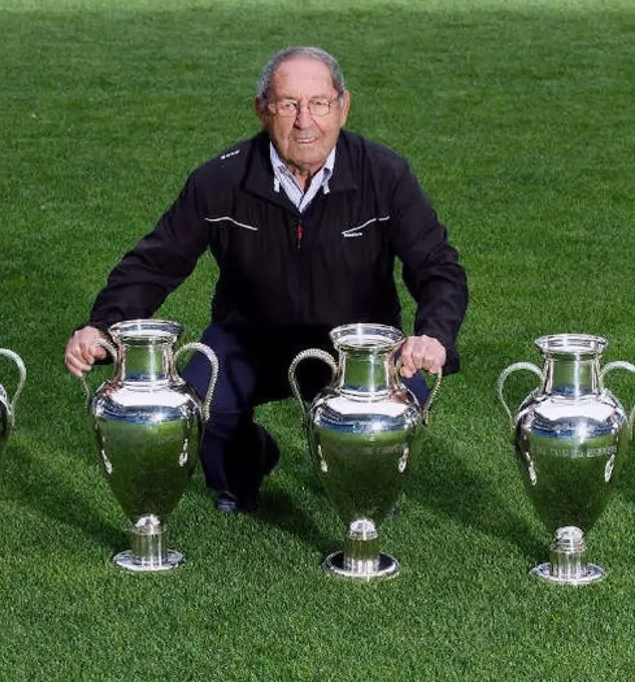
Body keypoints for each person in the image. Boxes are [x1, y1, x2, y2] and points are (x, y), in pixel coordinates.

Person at [64, 46, 468, 513]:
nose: (305, 120)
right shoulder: (219, 179)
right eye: (288, 104)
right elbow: (155, 263)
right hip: (247, 339)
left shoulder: (386, 175)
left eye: (318, 103)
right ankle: (247, 466)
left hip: (356, 348)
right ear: (262, 110)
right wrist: (102, 325)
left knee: (387, 425)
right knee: (200, 404)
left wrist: (433, 336)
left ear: (343, 107)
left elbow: (438, 266)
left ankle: (363, 482)